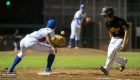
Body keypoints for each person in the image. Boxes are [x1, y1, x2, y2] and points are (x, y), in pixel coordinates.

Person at [100, 6, 130, 75]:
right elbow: (110, 31)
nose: (104, 17)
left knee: (112, 53)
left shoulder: (120, 21)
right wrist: (111, 40)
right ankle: (123, 61)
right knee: (110, 54)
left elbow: (127, 31)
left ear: (110, 14)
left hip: (121, 38)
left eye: (105, 15)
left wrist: (124, 43)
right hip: (114, 38)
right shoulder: (107, 23)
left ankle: (106, 69)